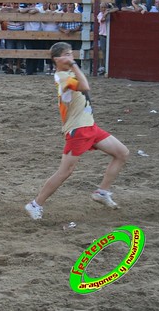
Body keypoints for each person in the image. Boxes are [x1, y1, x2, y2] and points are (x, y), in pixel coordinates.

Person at [25, 41, 129, 220]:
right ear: (57, 59)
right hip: (78, 130)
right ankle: (36, 204)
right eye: (67, 55)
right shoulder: (63, 77)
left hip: (89, 126)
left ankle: (102, 192)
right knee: (65, 171)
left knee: (122, 153)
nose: (71, 58)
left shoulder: (67, 73)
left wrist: (71, 65)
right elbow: (85, 86)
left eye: (71, 54)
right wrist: (73, 64)